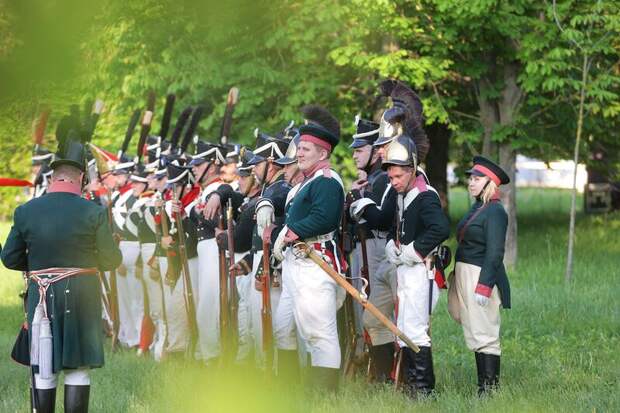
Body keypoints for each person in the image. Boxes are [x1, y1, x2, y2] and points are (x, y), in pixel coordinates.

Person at [1, 140, 122, 413]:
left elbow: (9, 258)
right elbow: (111, 260)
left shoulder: (25, 211)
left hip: (40, 295)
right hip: (82, 296)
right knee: (78, 368)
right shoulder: (95, 212)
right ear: (80, 178)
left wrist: (39, 266)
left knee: (44, 365)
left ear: (53, 178)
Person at [272, 104, 345, 392]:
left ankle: (324, 396)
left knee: (320, 334)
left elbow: (324, 217)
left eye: (306, 149)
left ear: (323, 154)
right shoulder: (307, 182)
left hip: (315, 262)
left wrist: (291, 232)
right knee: (283, 327)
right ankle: (289, 389)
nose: (299, 153)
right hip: (297, 263)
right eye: (299, 148)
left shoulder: (327, 180)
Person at [382, 135, 450, 397]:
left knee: (415, 329)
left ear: (411, 170)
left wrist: (414, 250)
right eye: (391, 177)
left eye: (398, 176)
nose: (394, 182)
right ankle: (412, 386)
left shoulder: (425, 195)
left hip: (422, 269)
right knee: (403, 328)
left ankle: (423, 390)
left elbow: (440, 228)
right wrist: (391, 243)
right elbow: (395, 226)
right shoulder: (402, 193)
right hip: (405, 268)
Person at [451, 155, 511, 395]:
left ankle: (489, 390)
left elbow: (495, 252)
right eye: (471, 179)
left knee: (485, 331)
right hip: (466, 273)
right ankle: (483, 386)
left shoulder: (495, 211)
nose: (471, 183)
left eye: (477, 179)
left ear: (490, 183)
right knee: (475, 330)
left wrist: (484, 286)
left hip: (480, 275)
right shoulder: (479, 207)